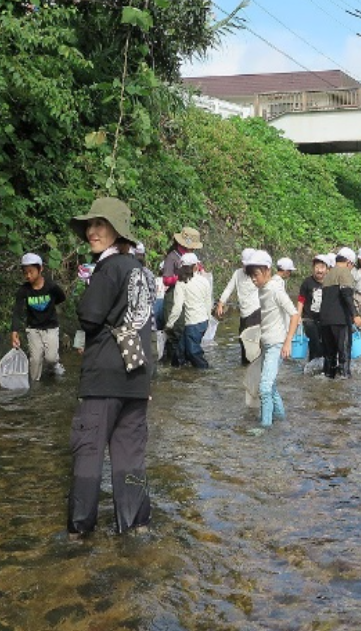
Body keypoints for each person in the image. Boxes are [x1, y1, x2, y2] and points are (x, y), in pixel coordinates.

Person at [67, 196, 153, 537]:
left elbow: (88, 317)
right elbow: (146, 328)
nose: (91, 231)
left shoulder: (109, 268)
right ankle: (135, 525)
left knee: (88, 450)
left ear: (117, 231)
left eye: (99, 224)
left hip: (103, 375)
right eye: (90, 225)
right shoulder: (142, 272)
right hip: (136, 378)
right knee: (130, 454)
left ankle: (80, 531)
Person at [243, 250, 300, 430]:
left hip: (277, 344)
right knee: (271, 386)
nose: (254, 279)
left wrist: (288, 341)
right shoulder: (263, 289)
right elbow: (268, 317)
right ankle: (281, 420)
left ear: (267, 270)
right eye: (251, 276)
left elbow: (294, 314)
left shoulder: (275, 289)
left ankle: (265, 426)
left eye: (256, 275)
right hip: (267, 343)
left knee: (265, 388)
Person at [11, 252, 67, 381]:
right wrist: (14, 331)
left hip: (51, 327)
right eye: (25, 273)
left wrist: (51, 304)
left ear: (40, 269)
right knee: (35, 360)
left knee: (51, 358)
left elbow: (62, 297)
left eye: (31, 272)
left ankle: (55, 365)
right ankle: (35, 385)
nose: (28, 275)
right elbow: (17, 311)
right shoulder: (24, 290)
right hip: (33, 328)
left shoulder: (51, 286)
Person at [159, 227, 203, 365]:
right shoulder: (172, 257)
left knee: (186, 331)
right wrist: (181, 276)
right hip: (174, 296)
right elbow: (166, 280)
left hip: (189, 296)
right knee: (175, 333)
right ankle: (173, 366)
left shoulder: (192, 258)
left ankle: (182, 366)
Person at [320, 248, 361, 379]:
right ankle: (345, 379)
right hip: (340, 320)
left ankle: (328, 378)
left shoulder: (328, 274)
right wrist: (355, 315)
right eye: (352, 265)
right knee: (344, 353)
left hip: (325, 320)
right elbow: (346, 295)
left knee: (329, 356)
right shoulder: (345, 272)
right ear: (349, 262)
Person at [165, 252, 212, 369]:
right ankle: (180, 371)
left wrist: (170, 323)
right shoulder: (204, 281)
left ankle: (206, 371)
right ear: (196, 267)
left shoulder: (181, 283)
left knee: (193, 352)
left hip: (192, 323)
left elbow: (177, 307)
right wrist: (209, 320)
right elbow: (208, 302)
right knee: (180, 351)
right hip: (202, 322)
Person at [216, 249, 262, 366]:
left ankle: (254, 366)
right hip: (244, 313)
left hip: (256, 312)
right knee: (242, 340)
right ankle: (245, 366)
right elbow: (229, 288)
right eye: (244, 264)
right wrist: (221, 303)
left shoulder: (258, 274)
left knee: (252, 341)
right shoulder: (238, 273)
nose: (245, 267)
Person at [296, 255, 328, 362]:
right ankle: (312, 366)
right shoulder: (307, 282)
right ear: (313, 268)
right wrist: (298, 316)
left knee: (325, 345)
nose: (319, 270)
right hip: (309, 319)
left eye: (322, 267)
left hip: (324, 320)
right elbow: (301, 300)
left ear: (327, 269)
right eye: (317, 267)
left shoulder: (329, 283)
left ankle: (320, 366)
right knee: (314, 343)